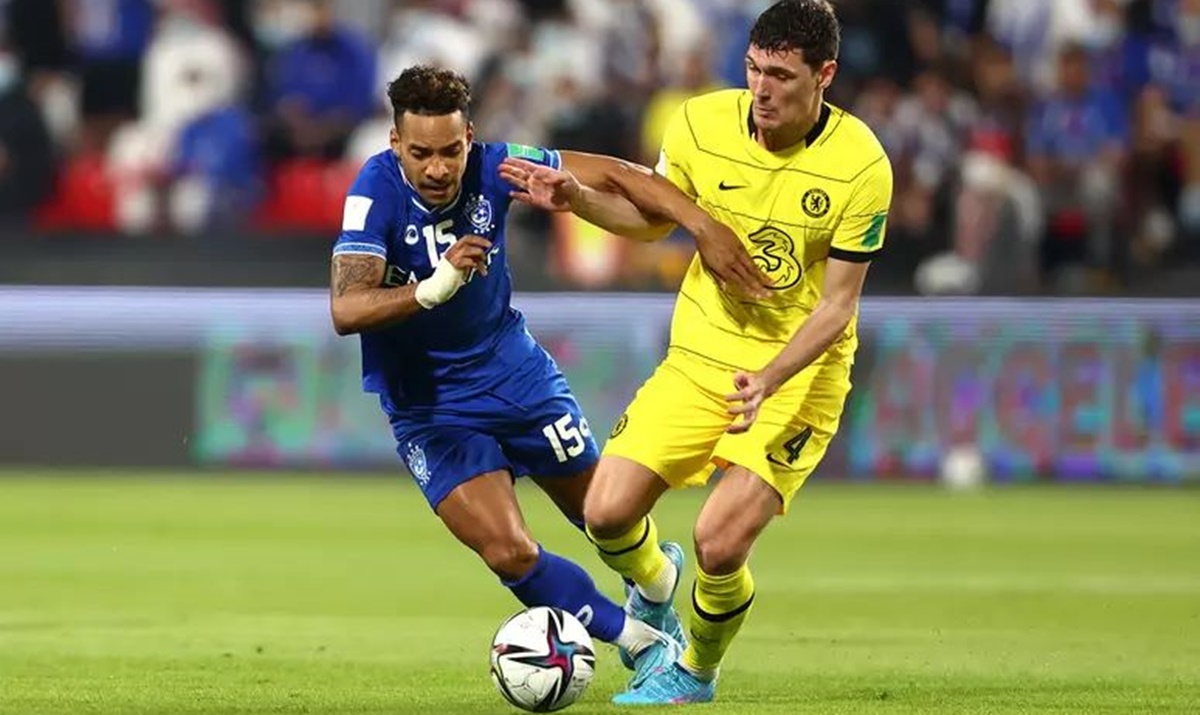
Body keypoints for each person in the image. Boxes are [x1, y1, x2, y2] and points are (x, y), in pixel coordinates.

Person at [328, 65, 769, 692]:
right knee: (509, 552)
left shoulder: (498, 165)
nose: (436, 169)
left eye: (451, 151)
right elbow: (347, 309)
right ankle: (642, 642)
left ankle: (655, 582)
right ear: (396, 143)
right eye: (420, 153)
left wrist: (701, 227)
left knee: (604, 516)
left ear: (470, 138)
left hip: (515, 376)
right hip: (430, 406)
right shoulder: (374, 192)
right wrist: (432, 290)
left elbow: (619, 174)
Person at [501, 0, 893, 704]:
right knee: (606, 511)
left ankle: (697, 671)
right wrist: (578, 199)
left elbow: (837, 306)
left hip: (794, 376)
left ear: (825, 74)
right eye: (753, 69)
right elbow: (650, 224)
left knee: (720, 540)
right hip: (700, 355)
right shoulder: (700, 124)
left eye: (779, 74)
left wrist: (770, 378)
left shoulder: (861, 164)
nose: (761, 89)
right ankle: (655, 582)